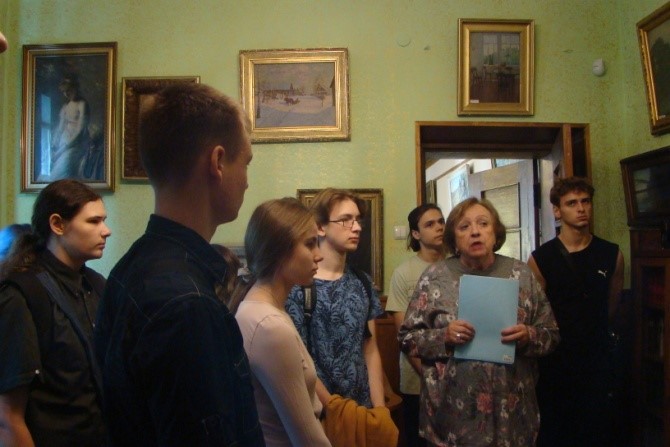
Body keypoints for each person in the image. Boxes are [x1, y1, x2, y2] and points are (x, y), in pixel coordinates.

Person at [94, 83, 265, 446]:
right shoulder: (187, 304)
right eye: (246, 162)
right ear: (218, 162)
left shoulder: (129, 267)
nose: (248, 181)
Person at [398, 197, 560, 447]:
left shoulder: (521, 275)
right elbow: (407, 338)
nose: (475, 231)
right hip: (452, 417)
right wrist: (444, 337)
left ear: (495, 233)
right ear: (454, 239)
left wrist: (529, 336)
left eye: (483, 224)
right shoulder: (435, 277)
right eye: (464, 227)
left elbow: (551, 334)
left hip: (512, 416)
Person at [0, 179, 111, 447]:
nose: (106, 231)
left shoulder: (97, 285)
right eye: (93, 221)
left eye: (104, 220)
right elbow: (8, 418)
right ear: (57, 225)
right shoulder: (21, 294)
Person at [527, 176, 625, 447]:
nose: (581, 208)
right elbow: (536, 313)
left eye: (585, 201)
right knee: (557, 431)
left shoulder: (611, 253)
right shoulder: (541, 258)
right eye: (572, 203)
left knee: (597, 430)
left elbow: (612, 305)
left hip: (597, 358)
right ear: (557, 211)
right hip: (556, 361)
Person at [231, 198, 331, 446]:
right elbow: (307, 439)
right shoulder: (269, 325)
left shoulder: (263, 309)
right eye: (310, 244)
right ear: (279, 250)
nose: (319, 255)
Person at [285, 188, 385, 409]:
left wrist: (380, 410)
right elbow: (299, 359)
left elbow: (370, 348)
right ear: (320, 227)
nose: (357, 227)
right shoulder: (299, 286)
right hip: (319, 411)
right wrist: (334, 408)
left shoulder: (363, 282)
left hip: (362, 409)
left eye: (357, 220)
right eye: (345, 220)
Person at [386, 204, 445, 447]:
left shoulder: (458, 265)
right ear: (416, 234)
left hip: (458, 378)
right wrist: (430, 376)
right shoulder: (404, 273)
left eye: (441, 221)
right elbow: (403, 333)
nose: (439, 227)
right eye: (430, 224)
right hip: (417, 382)